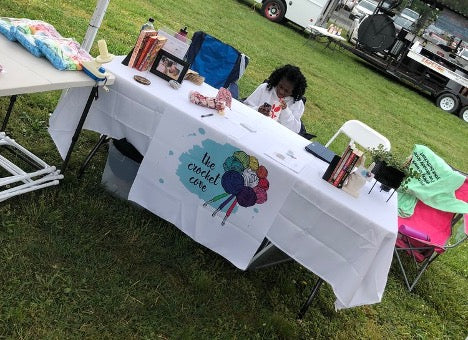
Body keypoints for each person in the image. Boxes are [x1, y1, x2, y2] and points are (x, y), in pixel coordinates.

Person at [244, 64, 307, 133]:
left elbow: (295, 130)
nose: (281, 92)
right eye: (280, 86)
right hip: (254, 127)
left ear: (294, 92)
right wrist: (257, 110)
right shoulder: (265, 88)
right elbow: (245, 107)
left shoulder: (297, 103)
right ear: (277, 81)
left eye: (287, 91)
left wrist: (285, 110)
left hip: (277, 134)